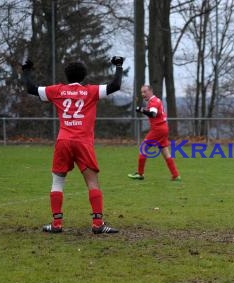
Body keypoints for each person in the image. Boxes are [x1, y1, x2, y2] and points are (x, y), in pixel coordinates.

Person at [22, 57, 124, 234]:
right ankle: (98, 224)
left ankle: (57, 224)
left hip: (64, 141)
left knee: (57, 182)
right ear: (84, 76)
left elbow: (30, 88)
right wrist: (118, 66)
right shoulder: (90, 91)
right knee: (92, 182)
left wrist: (26, 70)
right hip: (83, 142)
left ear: (66, 76)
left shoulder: (57, 90)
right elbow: (115, 85)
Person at [128, 85, 180, 181]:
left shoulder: (153, 101)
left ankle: (140, 174)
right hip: (163, 128)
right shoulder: (156, 100)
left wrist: (141, 110)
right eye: (142, 92)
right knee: (165, 152)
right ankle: (176, 175)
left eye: (145, 92)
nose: (143, 94)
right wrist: (141, 108)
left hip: (158, 129)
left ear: (151, 91)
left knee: (143, 148)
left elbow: (153, 114)